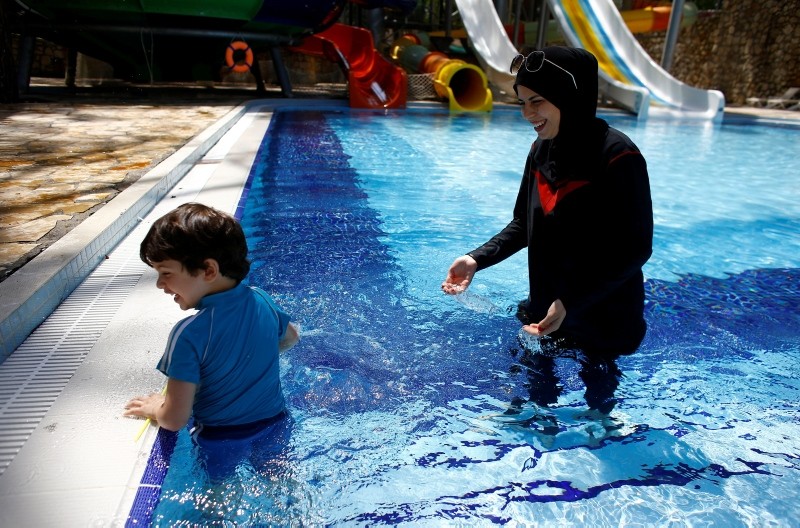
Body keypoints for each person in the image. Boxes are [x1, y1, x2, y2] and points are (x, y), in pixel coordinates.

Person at [442, 47, 653, 414]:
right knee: (535, 388)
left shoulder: (618, 156)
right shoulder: (541, 150)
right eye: (522, 103)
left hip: (602, 312)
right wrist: (477, 259)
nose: (527, 114)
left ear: (570, 97)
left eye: (537, 101)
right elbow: (524, 224)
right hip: (547, 306)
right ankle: (538, 428)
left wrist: (572, 301)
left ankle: (601, 428)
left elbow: (634, 248)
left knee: (598, 392)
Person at [124, 202, 299, 479]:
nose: (160, 284)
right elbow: (290, 339)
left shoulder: (188, 334)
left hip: (219, 438)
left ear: (208, 270)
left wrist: (156, 407)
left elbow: (175, 419)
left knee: (218, 495)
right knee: (280, 482)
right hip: (275, 423)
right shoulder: (262, 300)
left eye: (166, 273)